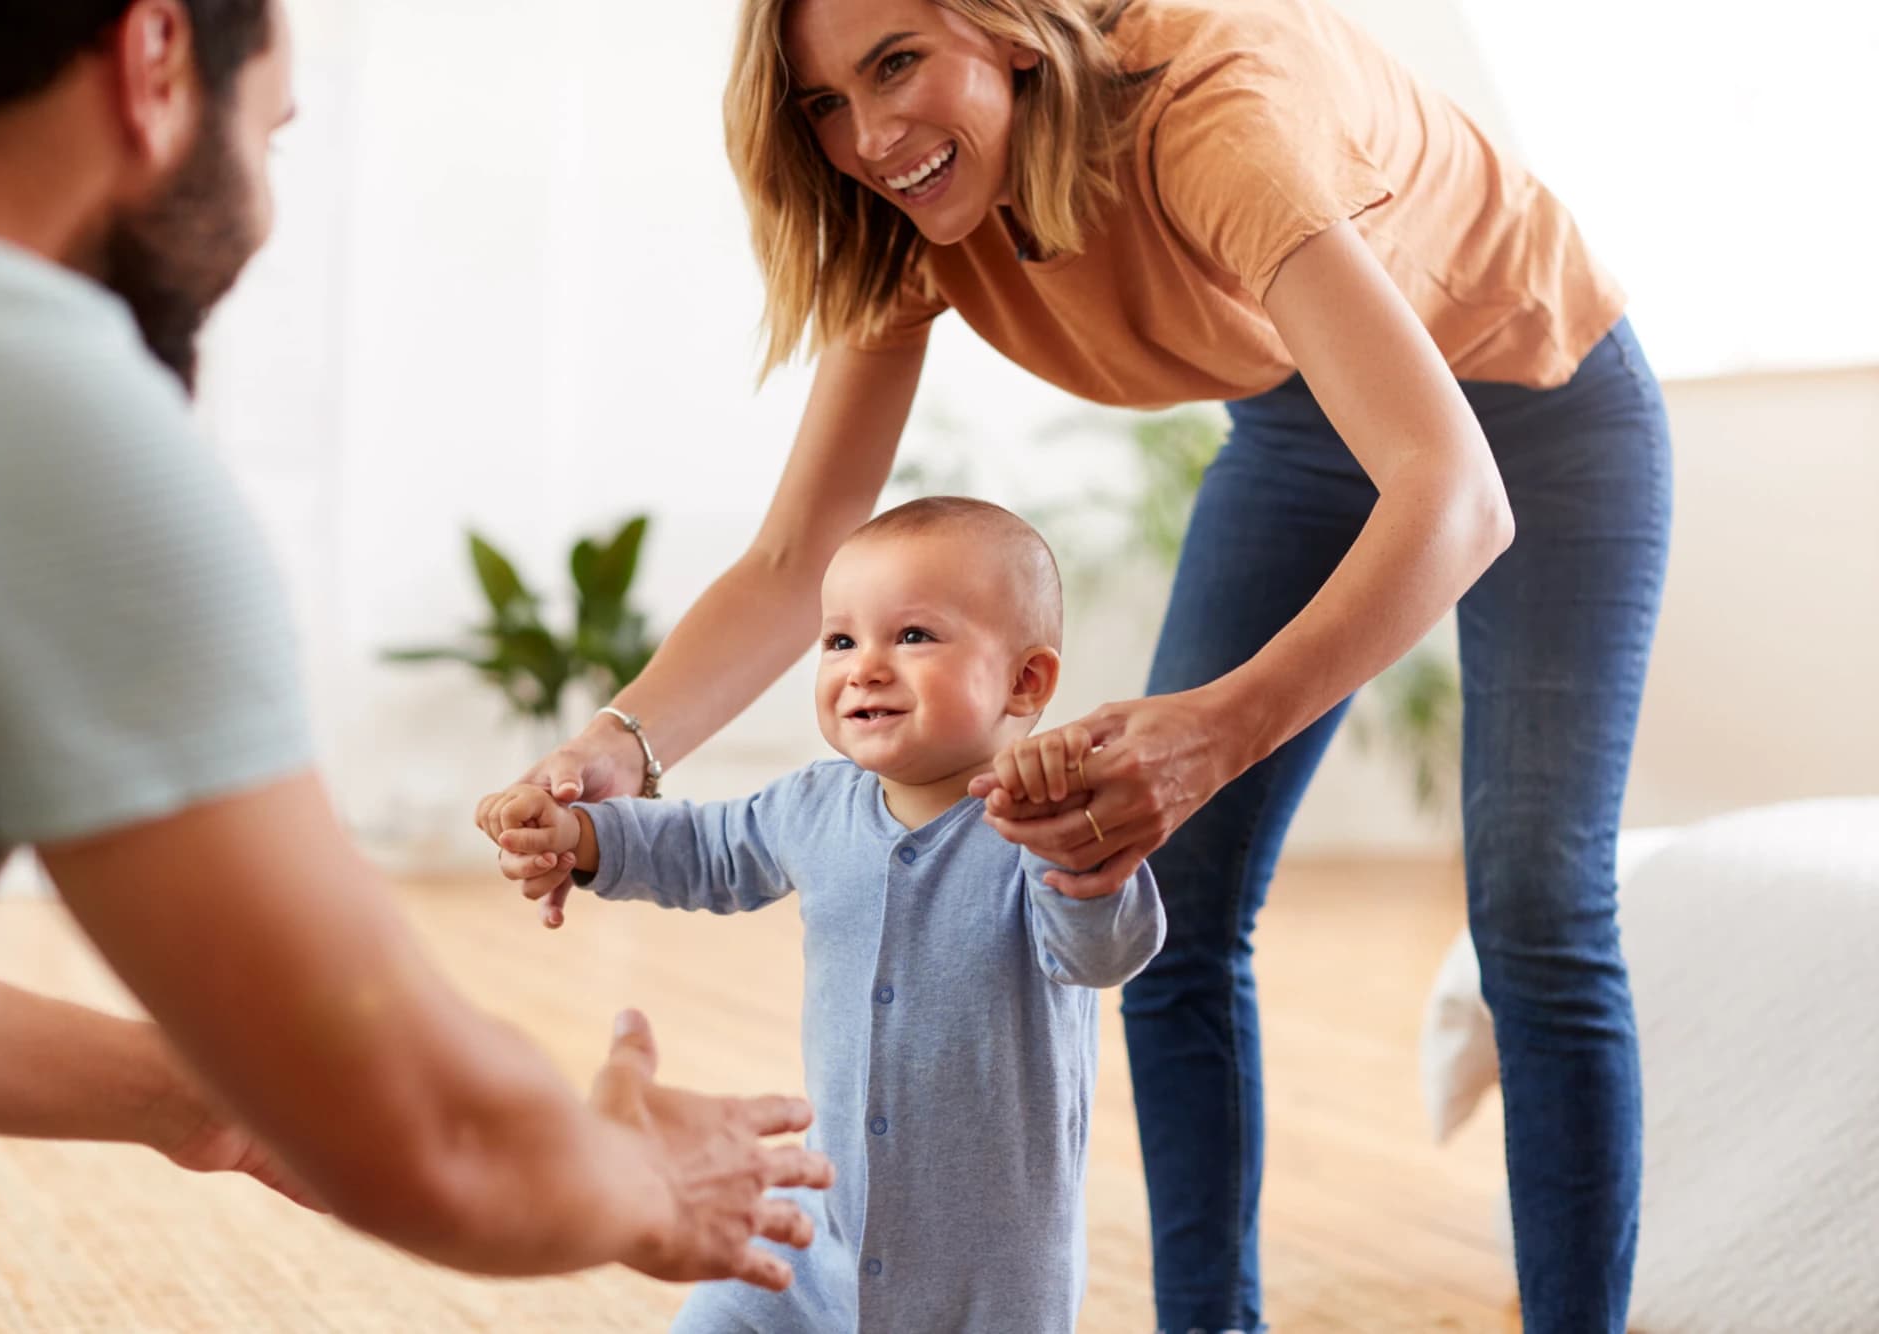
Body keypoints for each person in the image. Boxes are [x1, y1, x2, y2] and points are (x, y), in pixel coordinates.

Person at [498, 1, 1672, 1330]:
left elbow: (1452, 491)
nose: (871, 137)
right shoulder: (913, 212)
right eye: (824, 103)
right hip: (1301, 416)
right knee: (1165, 901)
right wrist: (622, 746)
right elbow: (796, 559)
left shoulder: (1217, 110)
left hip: (1541, 407)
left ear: (1003, 30)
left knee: (1535, 906)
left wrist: (1214, 732)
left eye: (896, 65)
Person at [0, 0, 833, 1290]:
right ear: (154, 60)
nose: (261, 218)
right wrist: (641, 1178)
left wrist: (199, 1093)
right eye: (268, 136)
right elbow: (434, 1140)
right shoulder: (28, 390)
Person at [480, 498, 1165, 1333]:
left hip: (990, 1283)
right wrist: (579, 832)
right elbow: (705, 848)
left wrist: (1077, 845)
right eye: (840, 640)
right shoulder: (813, 805)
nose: (866, 667)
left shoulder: (1049, 831)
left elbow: (1102, 953)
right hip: (812, 1249)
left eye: (913, 636)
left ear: (1027, 682)